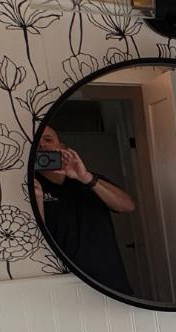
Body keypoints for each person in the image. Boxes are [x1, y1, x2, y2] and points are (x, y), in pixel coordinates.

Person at [32, 126, 137, 295]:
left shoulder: (89, 180)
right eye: (35, 142)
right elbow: (35, 242)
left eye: (48, 139)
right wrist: (36, 197)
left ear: (63, 147)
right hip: (68, 286)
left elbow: (127, 206)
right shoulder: (31, 188)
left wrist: (86, 178)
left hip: (111, 281)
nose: (41, 145)